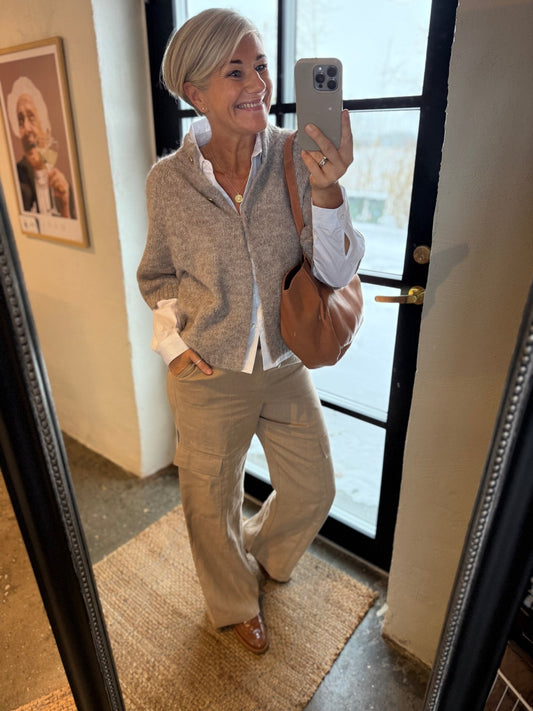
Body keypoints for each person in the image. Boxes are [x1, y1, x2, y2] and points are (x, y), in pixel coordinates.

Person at [137, 8, 364, 655]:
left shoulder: (295, 156)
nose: (258, 84)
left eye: (260, 67)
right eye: (235, 72)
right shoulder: (168, 181)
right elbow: (158, 275)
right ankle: (234, 601)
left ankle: (259, 553)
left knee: (314, 487)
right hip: (208, 371)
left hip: (284, 363)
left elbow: (335, 270)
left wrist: (328, 191)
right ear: (195, 91)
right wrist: (173, 348)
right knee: (209, 501)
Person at [6, 76, 75, 218]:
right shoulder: (14, 182)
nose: (26, 128)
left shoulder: (64, 185)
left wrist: (64, 208)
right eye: (20, 121)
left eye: (31, 117)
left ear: (46, 130)